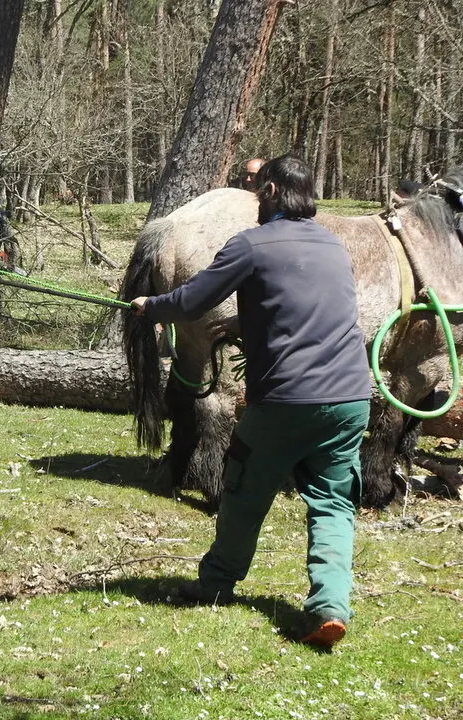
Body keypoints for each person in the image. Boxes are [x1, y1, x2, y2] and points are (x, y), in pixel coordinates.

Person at [130, 153, 371, 649]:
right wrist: (249, 323)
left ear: (272, 192)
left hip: (287, 398)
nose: (256, 198)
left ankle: (216, 583)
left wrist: (150, 306)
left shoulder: (252, 244)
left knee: (243, 490)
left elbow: (193, 300)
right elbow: (311, 309)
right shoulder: (333, 245)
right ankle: (330, 605)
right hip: (350, 395)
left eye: (260, 190)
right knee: (332, 502)